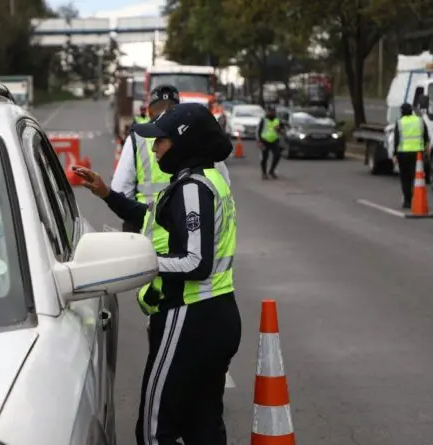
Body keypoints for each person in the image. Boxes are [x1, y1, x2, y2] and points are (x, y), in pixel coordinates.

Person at [73, 103, 242, 445]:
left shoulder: (193, 188)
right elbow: (152, 217)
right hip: (217, 314)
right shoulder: (201, 181)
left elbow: (196, 263)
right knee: (203, 426)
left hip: (190, 315)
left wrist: (143, 261)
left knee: (154, 431)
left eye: (161, 142)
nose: (154, 149)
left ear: (184, 142)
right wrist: (107, 194)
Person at [111, 85, 231, 233]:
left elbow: (120, 189)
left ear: (149, 111)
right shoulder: (199, 138)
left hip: (148, 236)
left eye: (159, 142)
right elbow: (223, 185)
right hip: (195, 230)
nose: (155, 147)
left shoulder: (137, 139)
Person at [393, 102, 429, 208]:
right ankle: (417, 197)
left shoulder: (399, 122)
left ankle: (407, 200)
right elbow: (425, 136)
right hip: (417, 154)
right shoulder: (419, 121)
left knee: (405, 178)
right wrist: (425, 147)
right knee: (417, 177)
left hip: (403, 154)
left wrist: (394, 154)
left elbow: (396, 140)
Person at [256, 105, 283, 180]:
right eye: (270, 111)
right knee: (264, 158)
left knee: (277, 155)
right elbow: (258, 131)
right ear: (267, 112)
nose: (271, 113)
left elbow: (282, 132)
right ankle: (264, 173)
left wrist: (279, 129)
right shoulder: (263, 120)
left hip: (274, 141)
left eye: (273, 112)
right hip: (264, 141)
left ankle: (271, 171)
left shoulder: (278, 120)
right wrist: (259, 141)